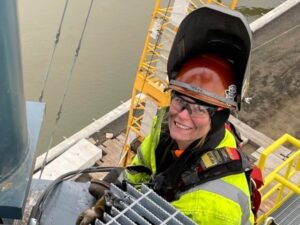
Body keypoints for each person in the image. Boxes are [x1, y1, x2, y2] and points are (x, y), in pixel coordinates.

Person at [77, 4, 255, 225]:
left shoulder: (211, 207)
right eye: (179, 100)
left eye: (199, 108)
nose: (182, 116)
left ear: (220, 117)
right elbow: (138, 171)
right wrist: (105, 203)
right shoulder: (164, 130)